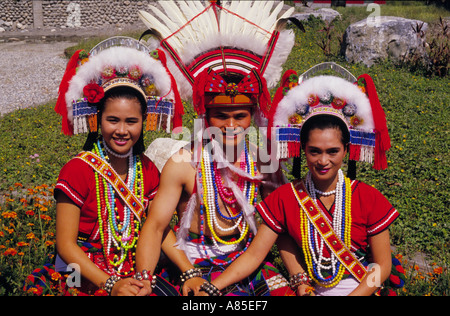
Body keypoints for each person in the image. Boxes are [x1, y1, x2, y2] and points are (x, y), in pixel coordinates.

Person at [135, 0, 298, 296]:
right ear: (205, 116)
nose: (231, 125)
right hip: (193, 261)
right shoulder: (184, 163)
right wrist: (145, 279)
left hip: (248, 259)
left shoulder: (263, 164)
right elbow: (156, 226)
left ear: (253, 116)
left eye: (240, 116)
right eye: (221, 116)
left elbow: (282, 223)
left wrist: (299, 278)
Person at [203, 69, 402, 296]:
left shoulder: (367, 197)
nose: (323, 161)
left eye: (333, 151)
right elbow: (254, 255)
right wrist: (211, 288)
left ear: (346, 150)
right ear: (303, 150)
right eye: (314, 151)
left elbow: (382, 267)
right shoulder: (285, 198)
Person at [26, 37, 184, 296]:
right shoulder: (77, 170)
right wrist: (111, 284)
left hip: (135, 266)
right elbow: (65, 245)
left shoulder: (147, 170)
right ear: (98, 119)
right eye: (112, 120)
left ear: (145, 121)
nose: (122, 130)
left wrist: (178, 271)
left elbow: (158, 227)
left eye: (131, 121)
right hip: (80, 268)